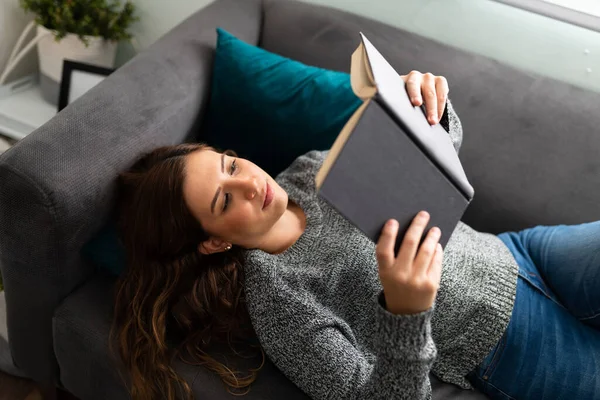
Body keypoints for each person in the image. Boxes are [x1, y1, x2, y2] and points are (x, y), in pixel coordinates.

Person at [111, 70, 600, 400]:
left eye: (230, 164)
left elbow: (433, 172)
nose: (248, 183)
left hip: (517, 251)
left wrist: (427, 113)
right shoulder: (279, 304)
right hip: (502, 346)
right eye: (223, 200)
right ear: (215, 242)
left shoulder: (308, 170)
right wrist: (406, 312)